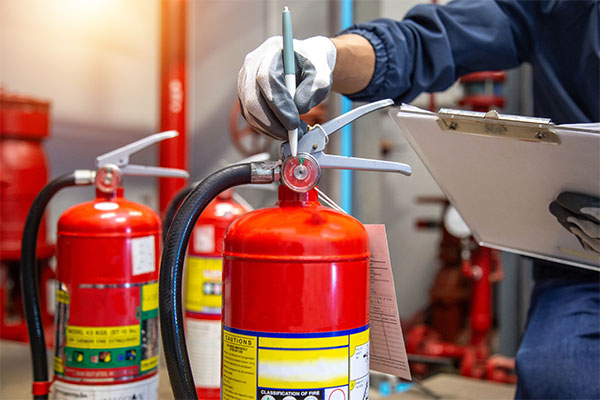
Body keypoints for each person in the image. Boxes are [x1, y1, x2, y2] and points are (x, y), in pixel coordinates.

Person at [237, 0, 600, 398]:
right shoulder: (561, 7)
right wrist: (327, 55)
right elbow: (426, 43)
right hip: (583, 267)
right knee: (559, 380)